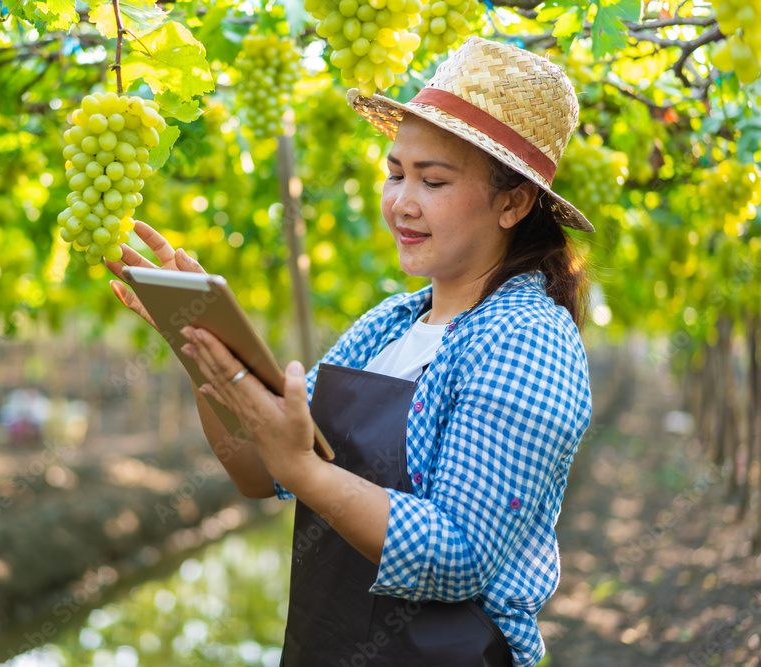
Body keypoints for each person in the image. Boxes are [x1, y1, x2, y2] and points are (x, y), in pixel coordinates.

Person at [107, 35, 594, 667]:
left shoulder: (528, 340)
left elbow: (460, 556)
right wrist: (198, 341)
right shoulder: (386, 325)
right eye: (395, 174)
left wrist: (310, 473)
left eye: (434, 180)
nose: (402, 203)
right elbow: (259, 472)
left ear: (513, 202)